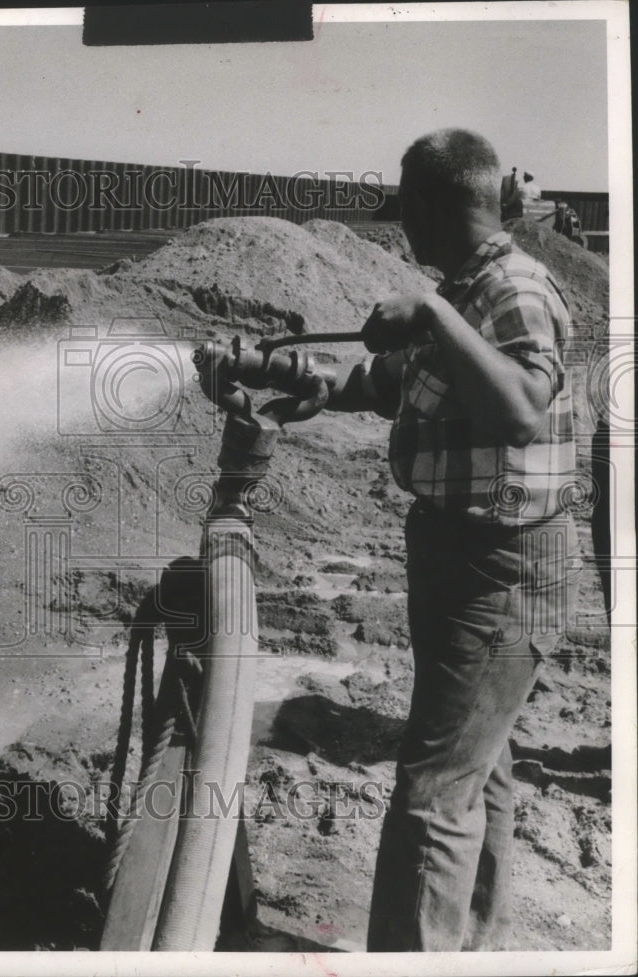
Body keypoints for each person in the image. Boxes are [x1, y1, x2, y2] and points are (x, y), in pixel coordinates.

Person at [317, 129, 579, 951]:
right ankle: (470, 951)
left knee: (433, 795)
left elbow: (521, 408)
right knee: (477, 765)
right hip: (465, 562)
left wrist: (429, 312)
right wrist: (296, 382)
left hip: (502, 574)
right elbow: (392, 382)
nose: (401, 227)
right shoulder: (466, 290)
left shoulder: (510, 291)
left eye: (405, 207)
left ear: (431, 205)